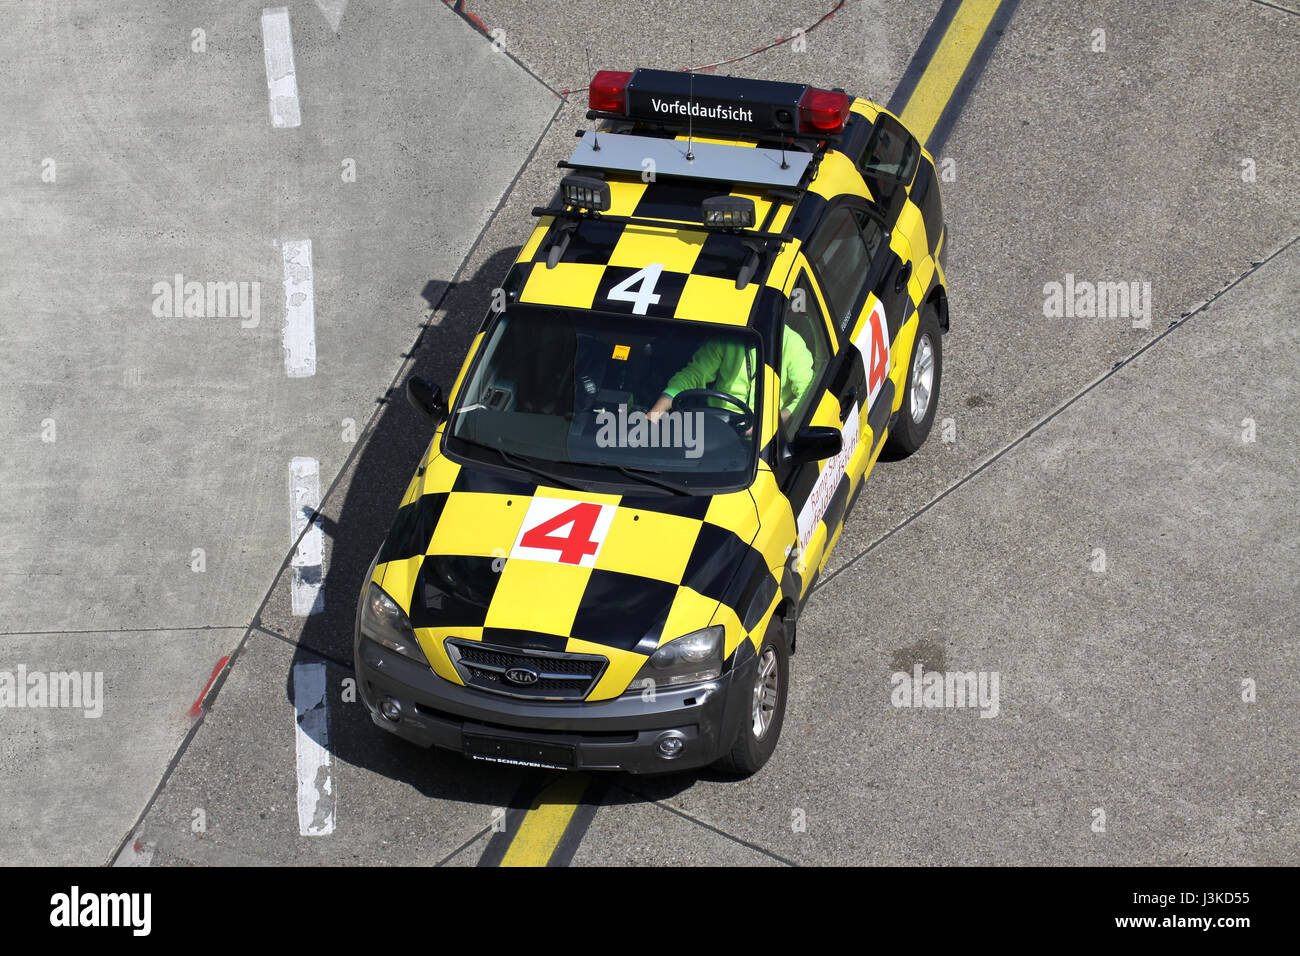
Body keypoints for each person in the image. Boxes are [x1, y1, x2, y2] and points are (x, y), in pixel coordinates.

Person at [646, 326, 814, 429]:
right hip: (718, 425)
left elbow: (808, 394)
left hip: (765, 439)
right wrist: (653, 414)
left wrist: (770, 424)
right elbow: (693, 374)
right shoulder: (725, 339)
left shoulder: (792, 343)